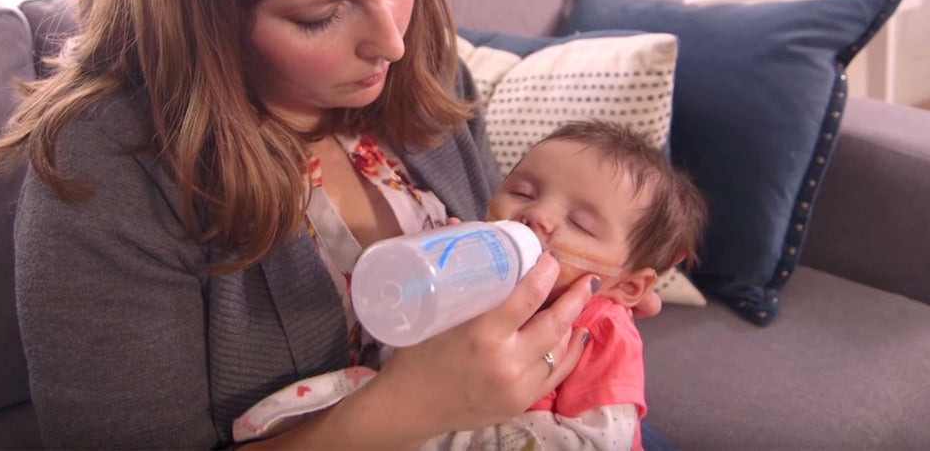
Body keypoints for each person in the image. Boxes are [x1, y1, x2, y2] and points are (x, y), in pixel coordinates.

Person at [0, 0, 660, 449]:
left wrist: (589, 294)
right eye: (321, 15)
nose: (390, 41)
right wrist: (408, 408)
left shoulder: (423, 79)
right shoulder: (106, 172)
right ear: (201, 13)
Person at [231, 120, 706, 450]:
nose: (536, 216)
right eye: (522, 191)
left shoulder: (601, 328)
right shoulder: (480, 279)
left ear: (627, 287)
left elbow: (605, 439)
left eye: (580, 223)